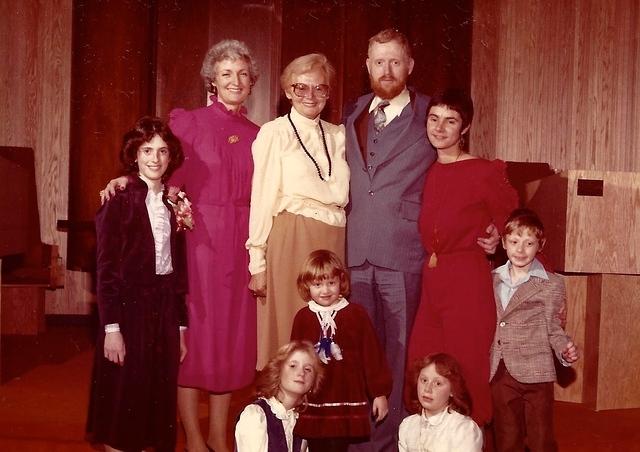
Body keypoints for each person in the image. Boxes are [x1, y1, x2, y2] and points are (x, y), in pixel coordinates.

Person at [343, 29, 499, 450]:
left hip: (404, 254)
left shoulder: (432, 114)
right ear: (368, 65)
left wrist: (493, 232)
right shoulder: (353, 112)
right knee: (361, 354)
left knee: (400, 355)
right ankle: (361, 441)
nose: (387, 70)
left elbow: (467, 177)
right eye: (379, 61)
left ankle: (394, 442)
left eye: (396, 61)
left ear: (409, 66)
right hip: (356, 252)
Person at [101, 39, 260, 452]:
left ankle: (217, 436)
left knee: (227, 345)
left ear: (252, 82)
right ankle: (191, 437)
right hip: (198, 246)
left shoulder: (260, 134)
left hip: (240, 247)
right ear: (212, 79)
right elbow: (155, 163)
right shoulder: (189, 122)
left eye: (242, 73)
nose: (235, 81)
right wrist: (124, 180)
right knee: (193, 344)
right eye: (226, 73)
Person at [406, 88, 518, 429]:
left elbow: (516, 219)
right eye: (434, 119)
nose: (439, 128)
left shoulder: (482, 171)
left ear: (464, 128)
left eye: (450, 121)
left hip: (467, 277)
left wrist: (498, 236)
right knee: (422, 363)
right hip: (433, 278)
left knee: (466, 366)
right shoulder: (425, 169)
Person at [86, 116, 188, 452]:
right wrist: (112, 328)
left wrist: (181, 328)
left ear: (171, 156)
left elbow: (178, 272)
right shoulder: (119, 199)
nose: (155, 158)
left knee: (156, 400)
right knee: (123, 398)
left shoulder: (175, 202)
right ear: (135, 155)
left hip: (163, 313)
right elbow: (106, 271)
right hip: (128, 312)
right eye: (147, 150)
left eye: (162, 151)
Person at [246, 53, 350, 370]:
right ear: (288, 91)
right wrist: (257, 262)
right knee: (292, 337)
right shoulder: (274, 134)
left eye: (319, 88)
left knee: (328, 338)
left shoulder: (338, 135)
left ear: (328, 93)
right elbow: (262, 198)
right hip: (292, 238)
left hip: (332, 239)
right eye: (301, 87)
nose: (310, 95)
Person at [490, 208, 579, 452]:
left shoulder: (552, 284)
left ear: (540, 245)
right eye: (514, 241)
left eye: (529, 243)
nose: (520, 249)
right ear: (504, 243)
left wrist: (564, 349)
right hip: (501, 371)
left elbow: (554, 328)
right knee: (506, 439)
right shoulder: (491, 279)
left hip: (537, 372)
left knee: (542, 440)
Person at [290, 250, 392, 452]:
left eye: (331, 283)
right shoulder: (303, 317)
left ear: (341, 281)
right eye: (317, 285)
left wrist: (379, 393)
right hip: (315, 398)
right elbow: (293, 359)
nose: (325, 290)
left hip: (345, 396)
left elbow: (372, 356)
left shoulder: (356, 315)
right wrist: (293, 393)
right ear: (306, 286)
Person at [235, 340, 324, 452]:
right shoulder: (256, 415)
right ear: (277, 371)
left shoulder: (302, 422)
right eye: (293, 366)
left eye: (308, 369)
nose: (301, 373)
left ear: (313, 382)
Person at [399, 353, 483, 452]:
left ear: (452, 390)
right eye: (424, 380)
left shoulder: (464, 429)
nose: (427, 389)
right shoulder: (408, 425)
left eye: (438, 383)